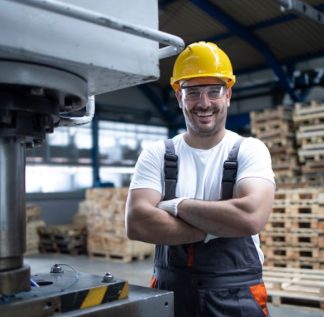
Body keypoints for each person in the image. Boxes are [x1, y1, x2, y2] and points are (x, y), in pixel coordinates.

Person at [125, 41, 275, 317]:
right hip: (171, 293)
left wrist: (175, 205)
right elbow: (137, 223)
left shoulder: (249, 149)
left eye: (213, 91)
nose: (204, 103)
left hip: (236, 295)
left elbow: (250, 217)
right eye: (192, 92)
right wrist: (217, 227)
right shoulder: (157, 154)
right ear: (179, 97)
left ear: (228, 94)